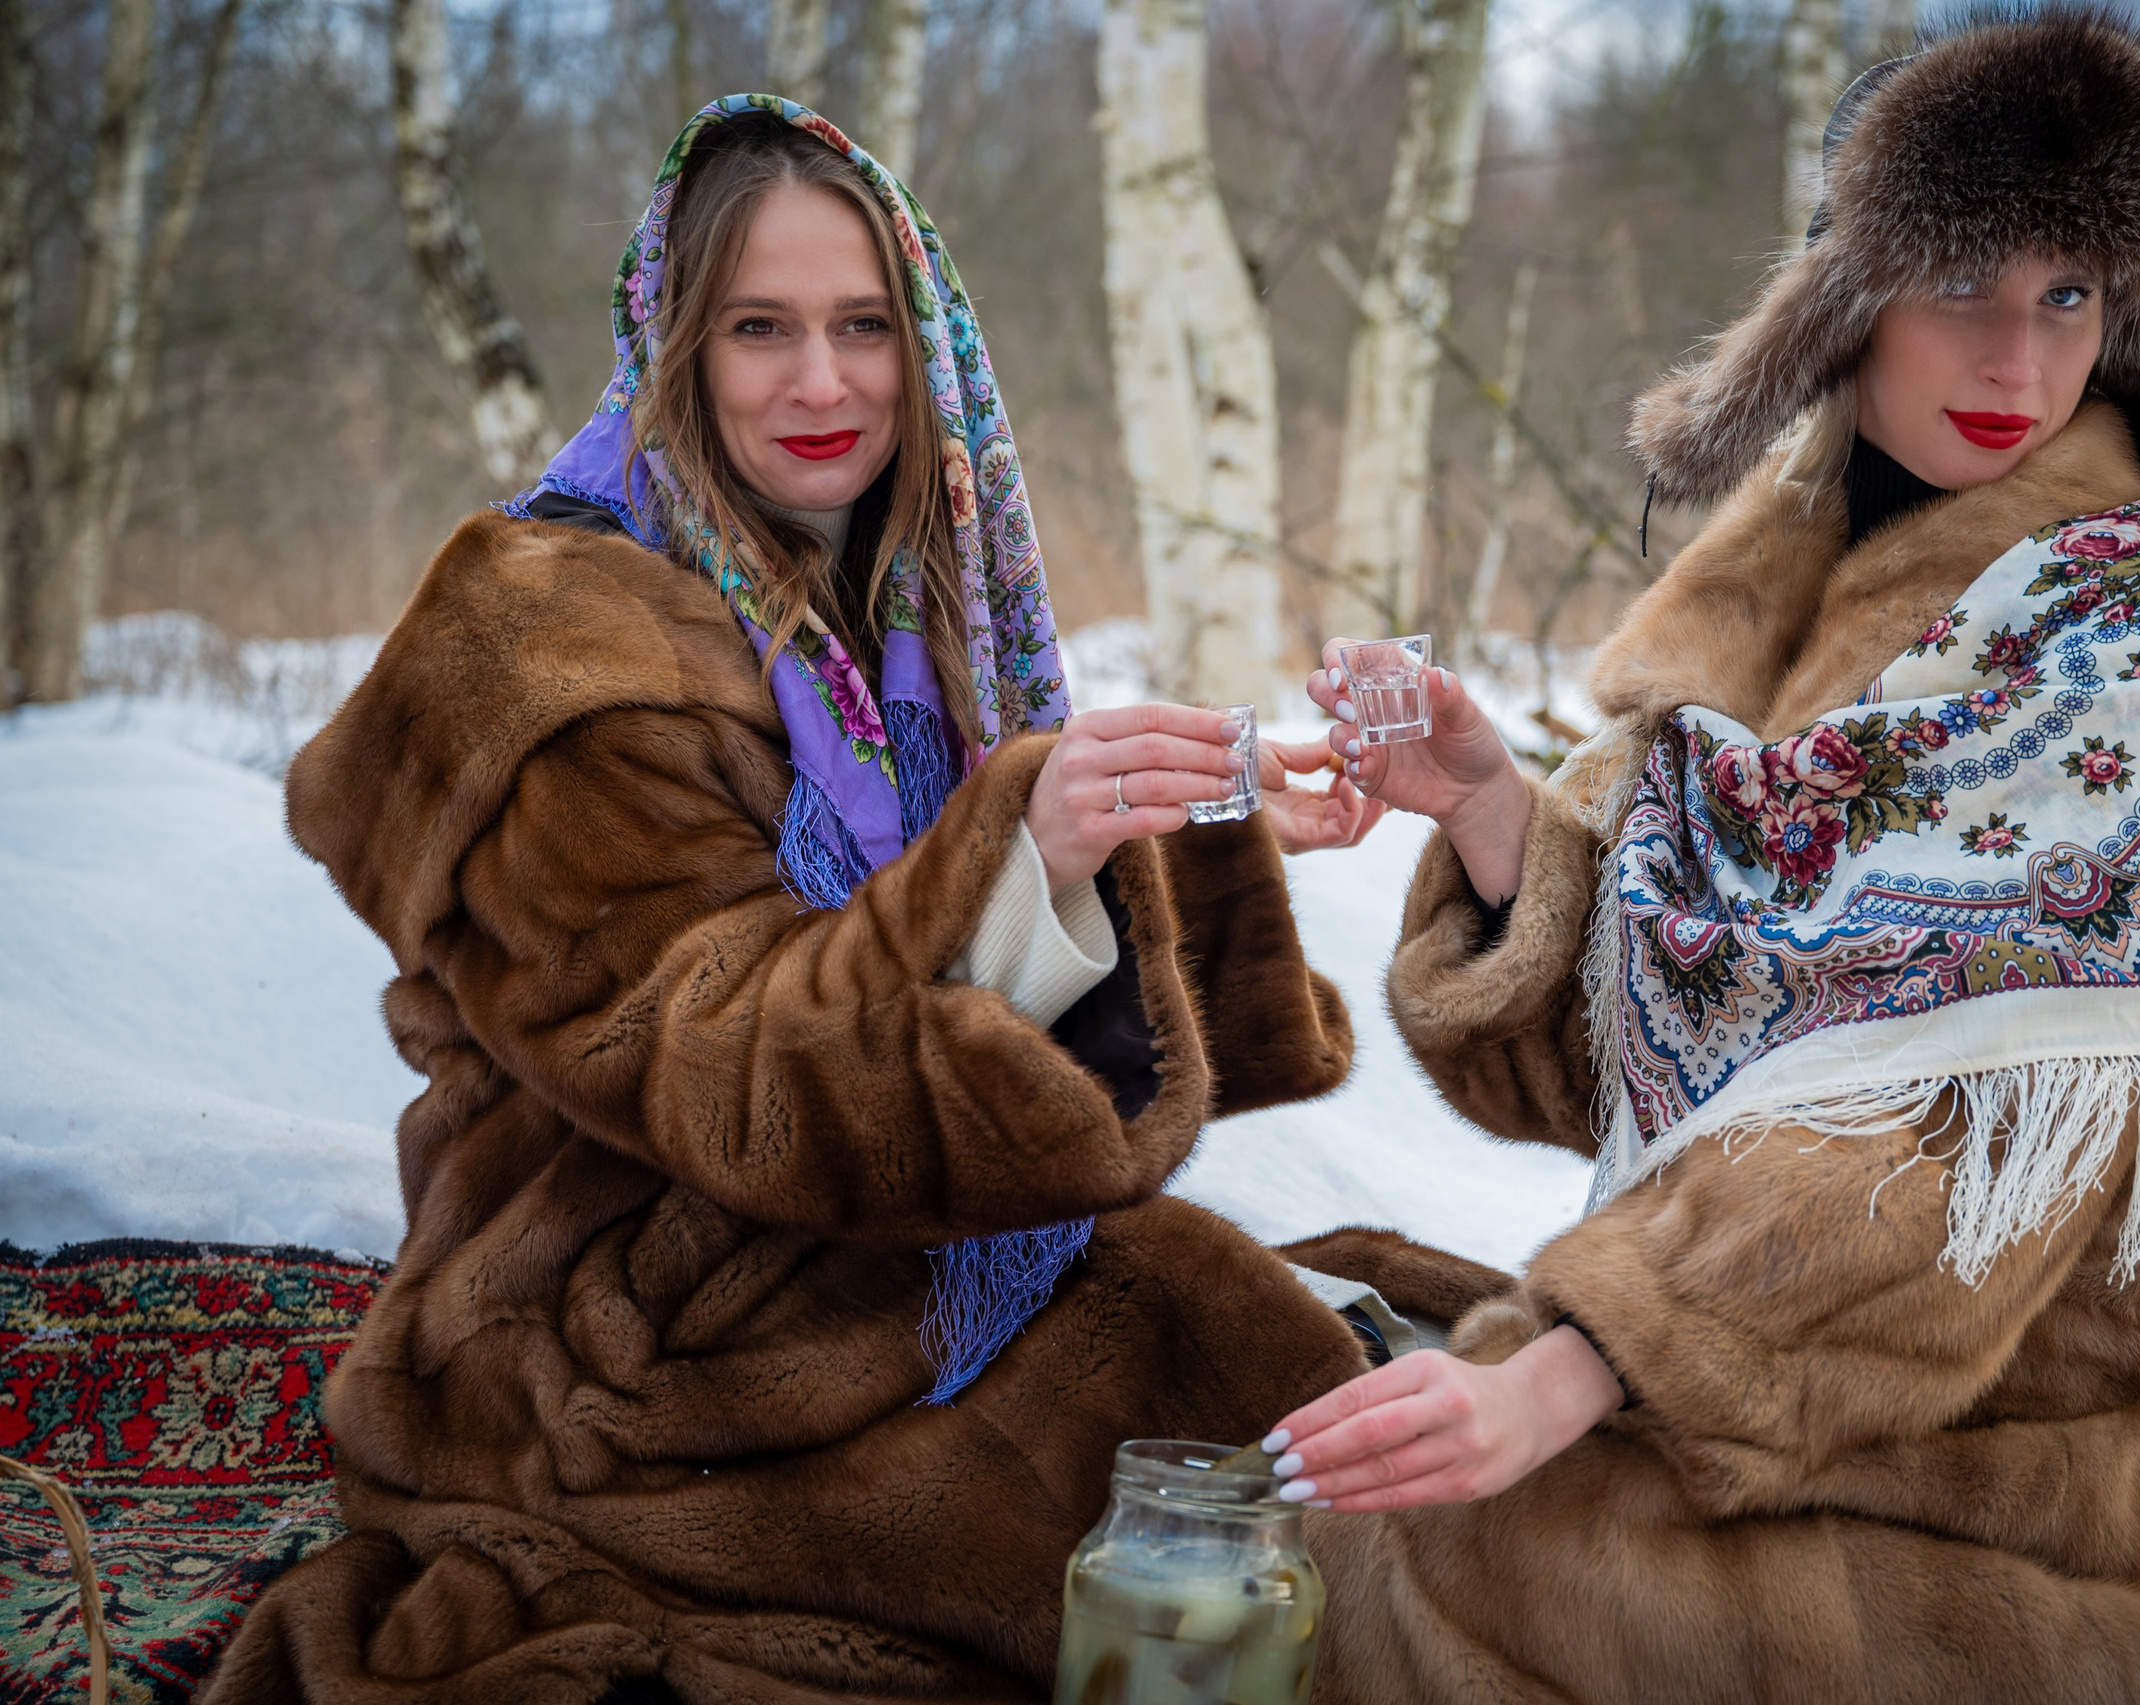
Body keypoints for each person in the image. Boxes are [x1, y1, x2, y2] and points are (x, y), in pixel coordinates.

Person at [1266, 17, 2140, 1702]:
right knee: (1276, 1387)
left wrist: (1574, 1367)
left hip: (2098, 1421)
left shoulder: (2131, 643)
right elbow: (1687, 1054)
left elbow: (1957, 1143)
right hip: (1831, 1372)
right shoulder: (1786, 602)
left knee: (1452, 1558)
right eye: (1963, 282)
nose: (2020, 361)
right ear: (1844, 301)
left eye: (2072, 294)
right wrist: (1497, 816)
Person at [205, 96, 1505, 1703]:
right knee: (1292, 1533)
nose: (822, 384)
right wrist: (1024, 846)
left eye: (862, 327)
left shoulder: (882, 596)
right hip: (629, 1328)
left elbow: (908, 916)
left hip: (856, 1249)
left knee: (1399, 1391)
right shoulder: (550, 654)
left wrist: (1176, 829)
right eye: (760, 329)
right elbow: (731, 1059)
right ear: (675, 342)